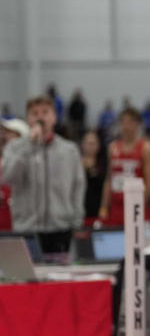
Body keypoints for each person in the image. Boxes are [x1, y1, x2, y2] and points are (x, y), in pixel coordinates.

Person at [0, 96, 85, 252]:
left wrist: (76, 222)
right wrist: (28, 146)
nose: (40, 117)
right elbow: (6, 177)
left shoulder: (69, 150)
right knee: (26, 276)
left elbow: (78, 187)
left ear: (54, 117)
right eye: (35, 113)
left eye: (45, 112)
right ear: (28, 119)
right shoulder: (15, 147)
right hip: (26, 230)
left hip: (62, 230)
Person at [98, 107, 150, 225]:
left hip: (136, 205)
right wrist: (104, 206)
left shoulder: (146, 147)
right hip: (116, 205)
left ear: (137, 124)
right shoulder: (113, 147)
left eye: (130, 122)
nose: (126, 126)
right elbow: (109, 179)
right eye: (123, 122)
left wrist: (140, 205)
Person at [80, 129, 107, 220]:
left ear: (98, 146)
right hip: (81, 209)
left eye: (93, 143)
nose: (90, 146)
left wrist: (92, 170)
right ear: (83, 145)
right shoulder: (75, 165)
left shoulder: (104, 165)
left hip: (98, 209)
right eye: (88, 143)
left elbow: (104, 186)